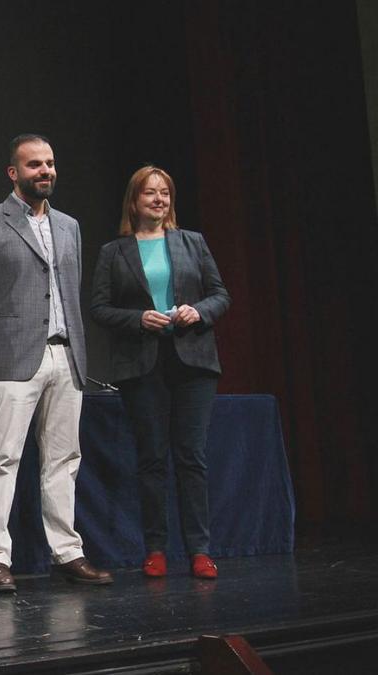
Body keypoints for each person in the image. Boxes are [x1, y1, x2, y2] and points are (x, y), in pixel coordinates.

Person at [0, 134, 112, 592]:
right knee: (2, 458)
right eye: (34, 165)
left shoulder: (69, 226)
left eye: (49, 163)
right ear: (14, 173)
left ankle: (67, 552)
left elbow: (70, 290)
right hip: (14, 358)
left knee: (64, 458)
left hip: (67, 354)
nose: (45, 171)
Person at [90, 166, 230, 579]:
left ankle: (200, 551)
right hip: (142, 364)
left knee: (192, 458)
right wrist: (138, 319)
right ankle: (155, 549)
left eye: (165, 193)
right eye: (149, 193)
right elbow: (99, 308)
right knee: (151, 459)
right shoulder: (113, 252)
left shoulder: (193, 242)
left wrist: (198, 311)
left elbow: (221, 295)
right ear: (134, 201)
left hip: (193, 362)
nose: (158, 200)